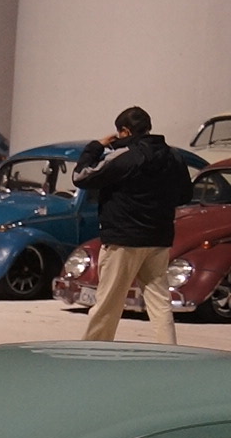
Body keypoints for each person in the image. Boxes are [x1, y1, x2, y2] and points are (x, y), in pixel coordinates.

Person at [78, 105, 194, 343]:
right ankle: (169, 352)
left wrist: (96, 147)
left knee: (109, 302)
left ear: (124, 131)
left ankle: (93, 350)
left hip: (123, 240)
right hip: (158, 239)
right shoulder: (174, 156)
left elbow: (81, 176)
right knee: (159, 302)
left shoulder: (126, 156)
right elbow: (185, 195)